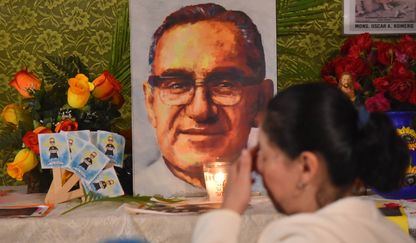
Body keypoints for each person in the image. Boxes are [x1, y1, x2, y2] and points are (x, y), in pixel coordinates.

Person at [192, 82, 413, 243]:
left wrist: (227, 211)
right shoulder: (391, 233)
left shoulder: (305, 237)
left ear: (306, 167)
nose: (257, 167)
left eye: (266, 156)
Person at [137, 3, 273, 197]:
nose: (200, 110)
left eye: (225, 84)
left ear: (261, 101)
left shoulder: (280, 195)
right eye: (177, 85)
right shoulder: (138, 192)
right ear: (150, 103)